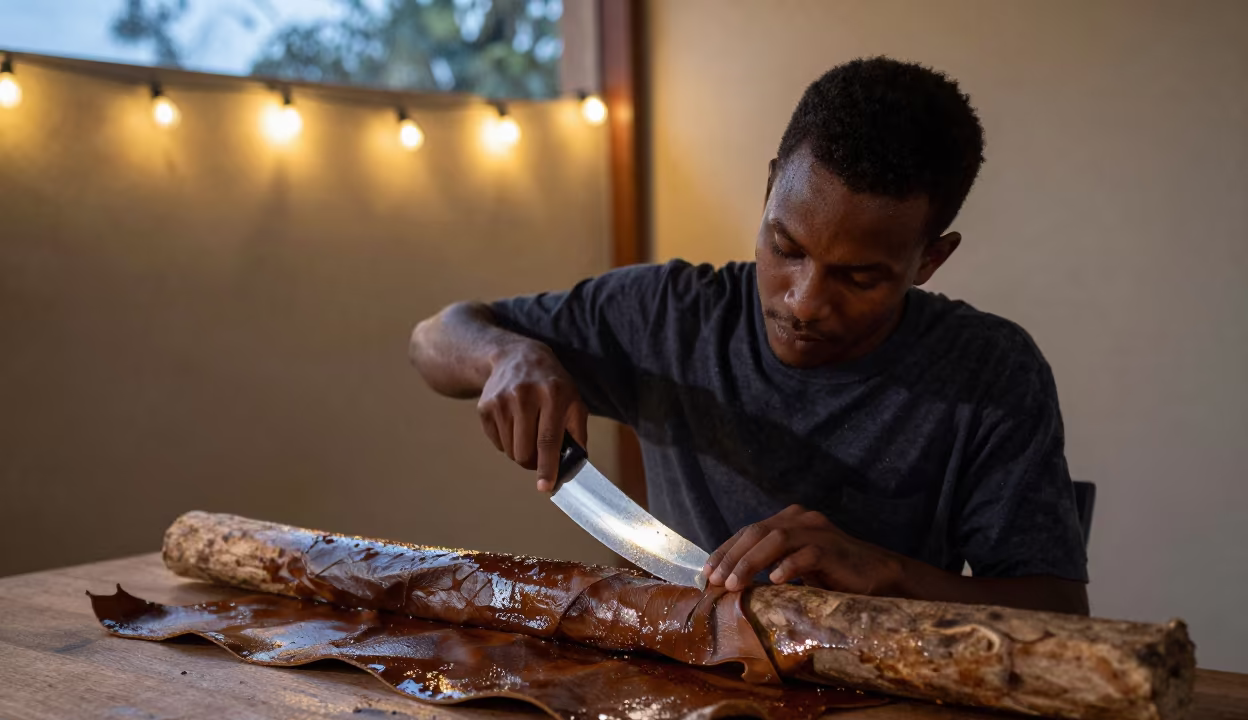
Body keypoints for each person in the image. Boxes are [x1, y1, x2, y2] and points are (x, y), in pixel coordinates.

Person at [410, 57, 1089, 615]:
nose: (805, 301)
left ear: (931, 260)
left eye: (858, 277)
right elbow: (433, 339)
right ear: (769, 190)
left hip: (892, 713)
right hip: (686, 687)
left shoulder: (990, 372)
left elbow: (1057, 611)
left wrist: (885, 572)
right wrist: (506, 354)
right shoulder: (667, 315)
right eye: (785, 246)